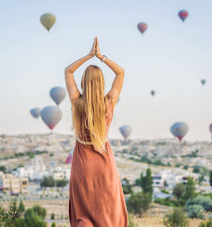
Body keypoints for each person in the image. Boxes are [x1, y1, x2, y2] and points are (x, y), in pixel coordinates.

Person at [65, 37, 128, 227]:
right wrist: (101, 57)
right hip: (104, 162)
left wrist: (88, 56)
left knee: (84, 212)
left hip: (83, 164)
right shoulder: (108, 103)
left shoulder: (77, 102)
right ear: (101, 83)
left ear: (83, 81)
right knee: (106, 210)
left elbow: (68, 71)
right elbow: (121, 73)